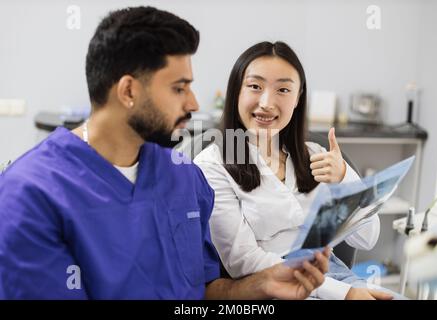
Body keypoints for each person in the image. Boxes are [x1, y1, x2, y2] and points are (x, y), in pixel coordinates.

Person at [0, 7, 330, 300]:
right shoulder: (29, 197)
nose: (194, 104)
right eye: (179, 88)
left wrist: (260, 287)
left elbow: (204, 290)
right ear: (128, 91)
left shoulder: (184, 179)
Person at [194, 41, 395, 300]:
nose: (266, 102)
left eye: (283, 89)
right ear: (236, 92)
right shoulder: (212, 165)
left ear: (298, 98)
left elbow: (367, 239)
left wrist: (346, 179)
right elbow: (242, 261)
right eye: (255, 86)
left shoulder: (314, 154)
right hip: (273, 285)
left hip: (339, 276)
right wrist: (344, 294)